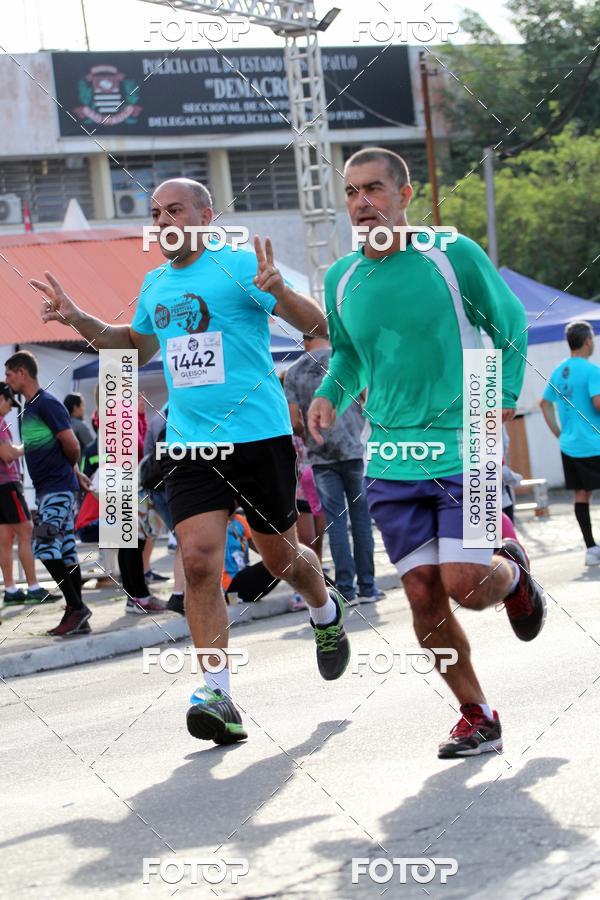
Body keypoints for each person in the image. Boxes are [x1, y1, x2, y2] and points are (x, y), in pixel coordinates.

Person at [32, 177, 350, 745]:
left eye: (174, 208)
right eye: (156, 212)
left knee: (278, 557)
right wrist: (78, 317)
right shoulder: (155, 284)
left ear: (205, 214)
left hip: (258, 437)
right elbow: (129, 344)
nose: (163, 220)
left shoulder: (240, 265)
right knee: (200, 562)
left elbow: (320, 328)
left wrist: (283, 292)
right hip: (190, 442)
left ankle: (324, 608)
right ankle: (218, 694)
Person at [308, 147, 546, 759]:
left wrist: (503, 396)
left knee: (467, 582)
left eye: (374, 190)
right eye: (352, 193)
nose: (362, 204)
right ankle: (477, 713)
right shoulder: (341, 277)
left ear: (405, 194)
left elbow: (509, 322)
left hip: (464, 447)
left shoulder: (451, 254)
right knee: (421, 595)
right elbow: (351, 355)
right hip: (388, 458)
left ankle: (512, 572)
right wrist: (330, 396)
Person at [285, 333, 382, 605]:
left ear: (305, 341)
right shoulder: (347, 361)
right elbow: (370, 404)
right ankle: (368, 587)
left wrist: (310, 436)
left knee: (335, 523)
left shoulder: (293, 372)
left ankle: (345, 589)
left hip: (320, 455)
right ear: (328, 335)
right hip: (353, 450)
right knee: (361, 520)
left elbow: (295, 422)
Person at [4, 352, 92, 636]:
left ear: (22, 373)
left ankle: (77, 607)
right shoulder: (30, 407)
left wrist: (70, 472)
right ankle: (77, 615)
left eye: (9, 374)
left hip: (57, 488)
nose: (7, 380)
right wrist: (75, 473)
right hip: (51, 488)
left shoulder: (47, 404)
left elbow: (72, 444)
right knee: (66, 550)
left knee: (43, 545)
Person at [540, 320, 600, 565]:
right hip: (594, 443)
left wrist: (559, 433)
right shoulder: (591, 370)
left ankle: (591, 549)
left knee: (581, 494)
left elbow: (544, 404)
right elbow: (597, 403)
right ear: (587, 341)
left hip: (569, 445)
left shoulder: (558, 370)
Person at [0, 382, 55, 605]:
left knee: (5, 539)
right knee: (26, 533)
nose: (10, 408)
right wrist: (28, 444)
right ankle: (33, 587)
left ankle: (11, 589)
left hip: (3, 487)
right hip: (8, 486)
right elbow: (8, 454)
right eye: (8, 402)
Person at [222, 508, 280, 603]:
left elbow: (261, 549)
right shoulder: (213, 524)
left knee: (283, 561)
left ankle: (300, 593)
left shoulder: (239, 520)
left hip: (244, 579)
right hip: (228, 586)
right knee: (280, 562)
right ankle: (229, 599)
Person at [63, 392, 93, 461]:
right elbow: (94, 451)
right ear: (75, 407)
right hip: (76, 470)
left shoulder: (60, 425)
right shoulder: (80, 426)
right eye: (82, 405)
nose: (84, 409)